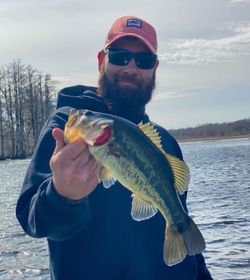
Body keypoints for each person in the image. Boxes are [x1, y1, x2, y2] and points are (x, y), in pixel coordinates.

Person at [16, 16, 213, 280]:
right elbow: (34, 222)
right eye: (120, 56)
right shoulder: (66, 126)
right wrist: (62, 196)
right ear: (101, 61)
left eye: (143, 61)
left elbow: (183, 230)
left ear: (154, 69)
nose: (130, 68)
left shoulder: (166, 143)